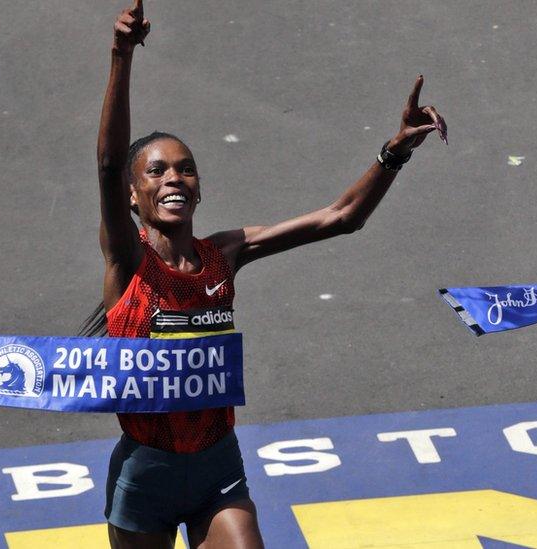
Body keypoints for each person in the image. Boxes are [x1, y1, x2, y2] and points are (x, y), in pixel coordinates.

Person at [93, 2, 447, 547]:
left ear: (200, 186)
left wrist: (393, 153)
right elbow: (110, 162)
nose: (174, 178)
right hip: (146, 474)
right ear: (134, 196)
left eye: (186, 168)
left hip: (217, 468)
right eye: (157, 171)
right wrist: (121, 55)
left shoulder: (226, 253)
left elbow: (341, 217)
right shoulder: (129, 258)